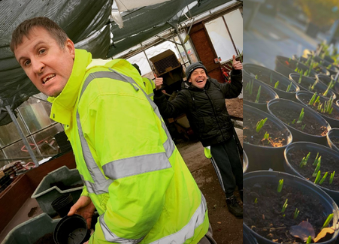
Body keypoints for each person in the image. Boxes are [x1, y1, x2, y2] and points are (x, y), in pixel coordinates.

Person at [12, 16, 211, 243]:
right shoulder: (79, 100)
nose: (36, 67)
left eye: (41, 50)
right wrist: (90, 197)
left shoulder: (103, 94)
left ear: (68, 48)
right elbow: (114, 166)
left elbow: (138, 196)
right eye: (26, 62)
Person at [154, 58, 244, 218]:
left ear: (207, 76)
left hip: (228, 134)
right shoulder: (186, 95)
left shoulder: (215, 85)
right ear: (189, 79)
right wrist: (158, 92)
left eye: (202, 72)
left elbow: (233, 91)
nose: (200, 75)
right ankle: (231, 198)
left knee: (237, 164)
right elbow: (168, 110)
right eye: (195, 73)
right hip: (211, 141)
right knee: (225, 170)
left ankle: (243, 190)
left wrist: (236, 72)